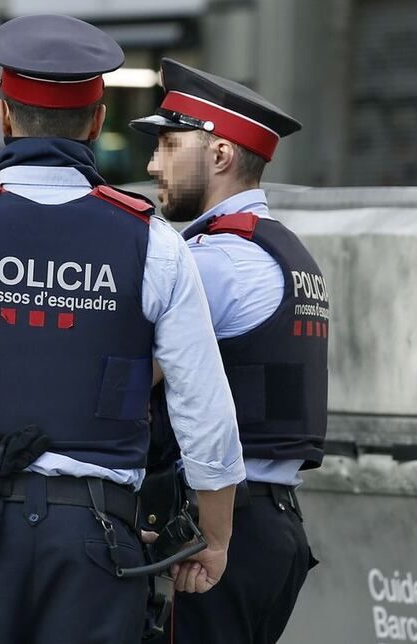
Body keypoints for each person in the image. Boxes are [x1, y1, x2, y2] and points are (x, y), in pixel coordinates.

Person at [0, 15, 245, 644]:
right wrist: (214, 535)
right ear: (97, 121)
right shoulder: (154, 245)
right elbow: (205, 411)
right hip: (96, 550)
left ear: (5, 117)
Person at [131, 58, 327, 644]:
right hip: (270, 523)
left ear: (218, 157)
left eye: (168, 146)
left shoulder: (211, 264)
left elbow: (124, 381)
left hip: (213, 533)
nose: (151, 164)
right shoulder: (284, 251)